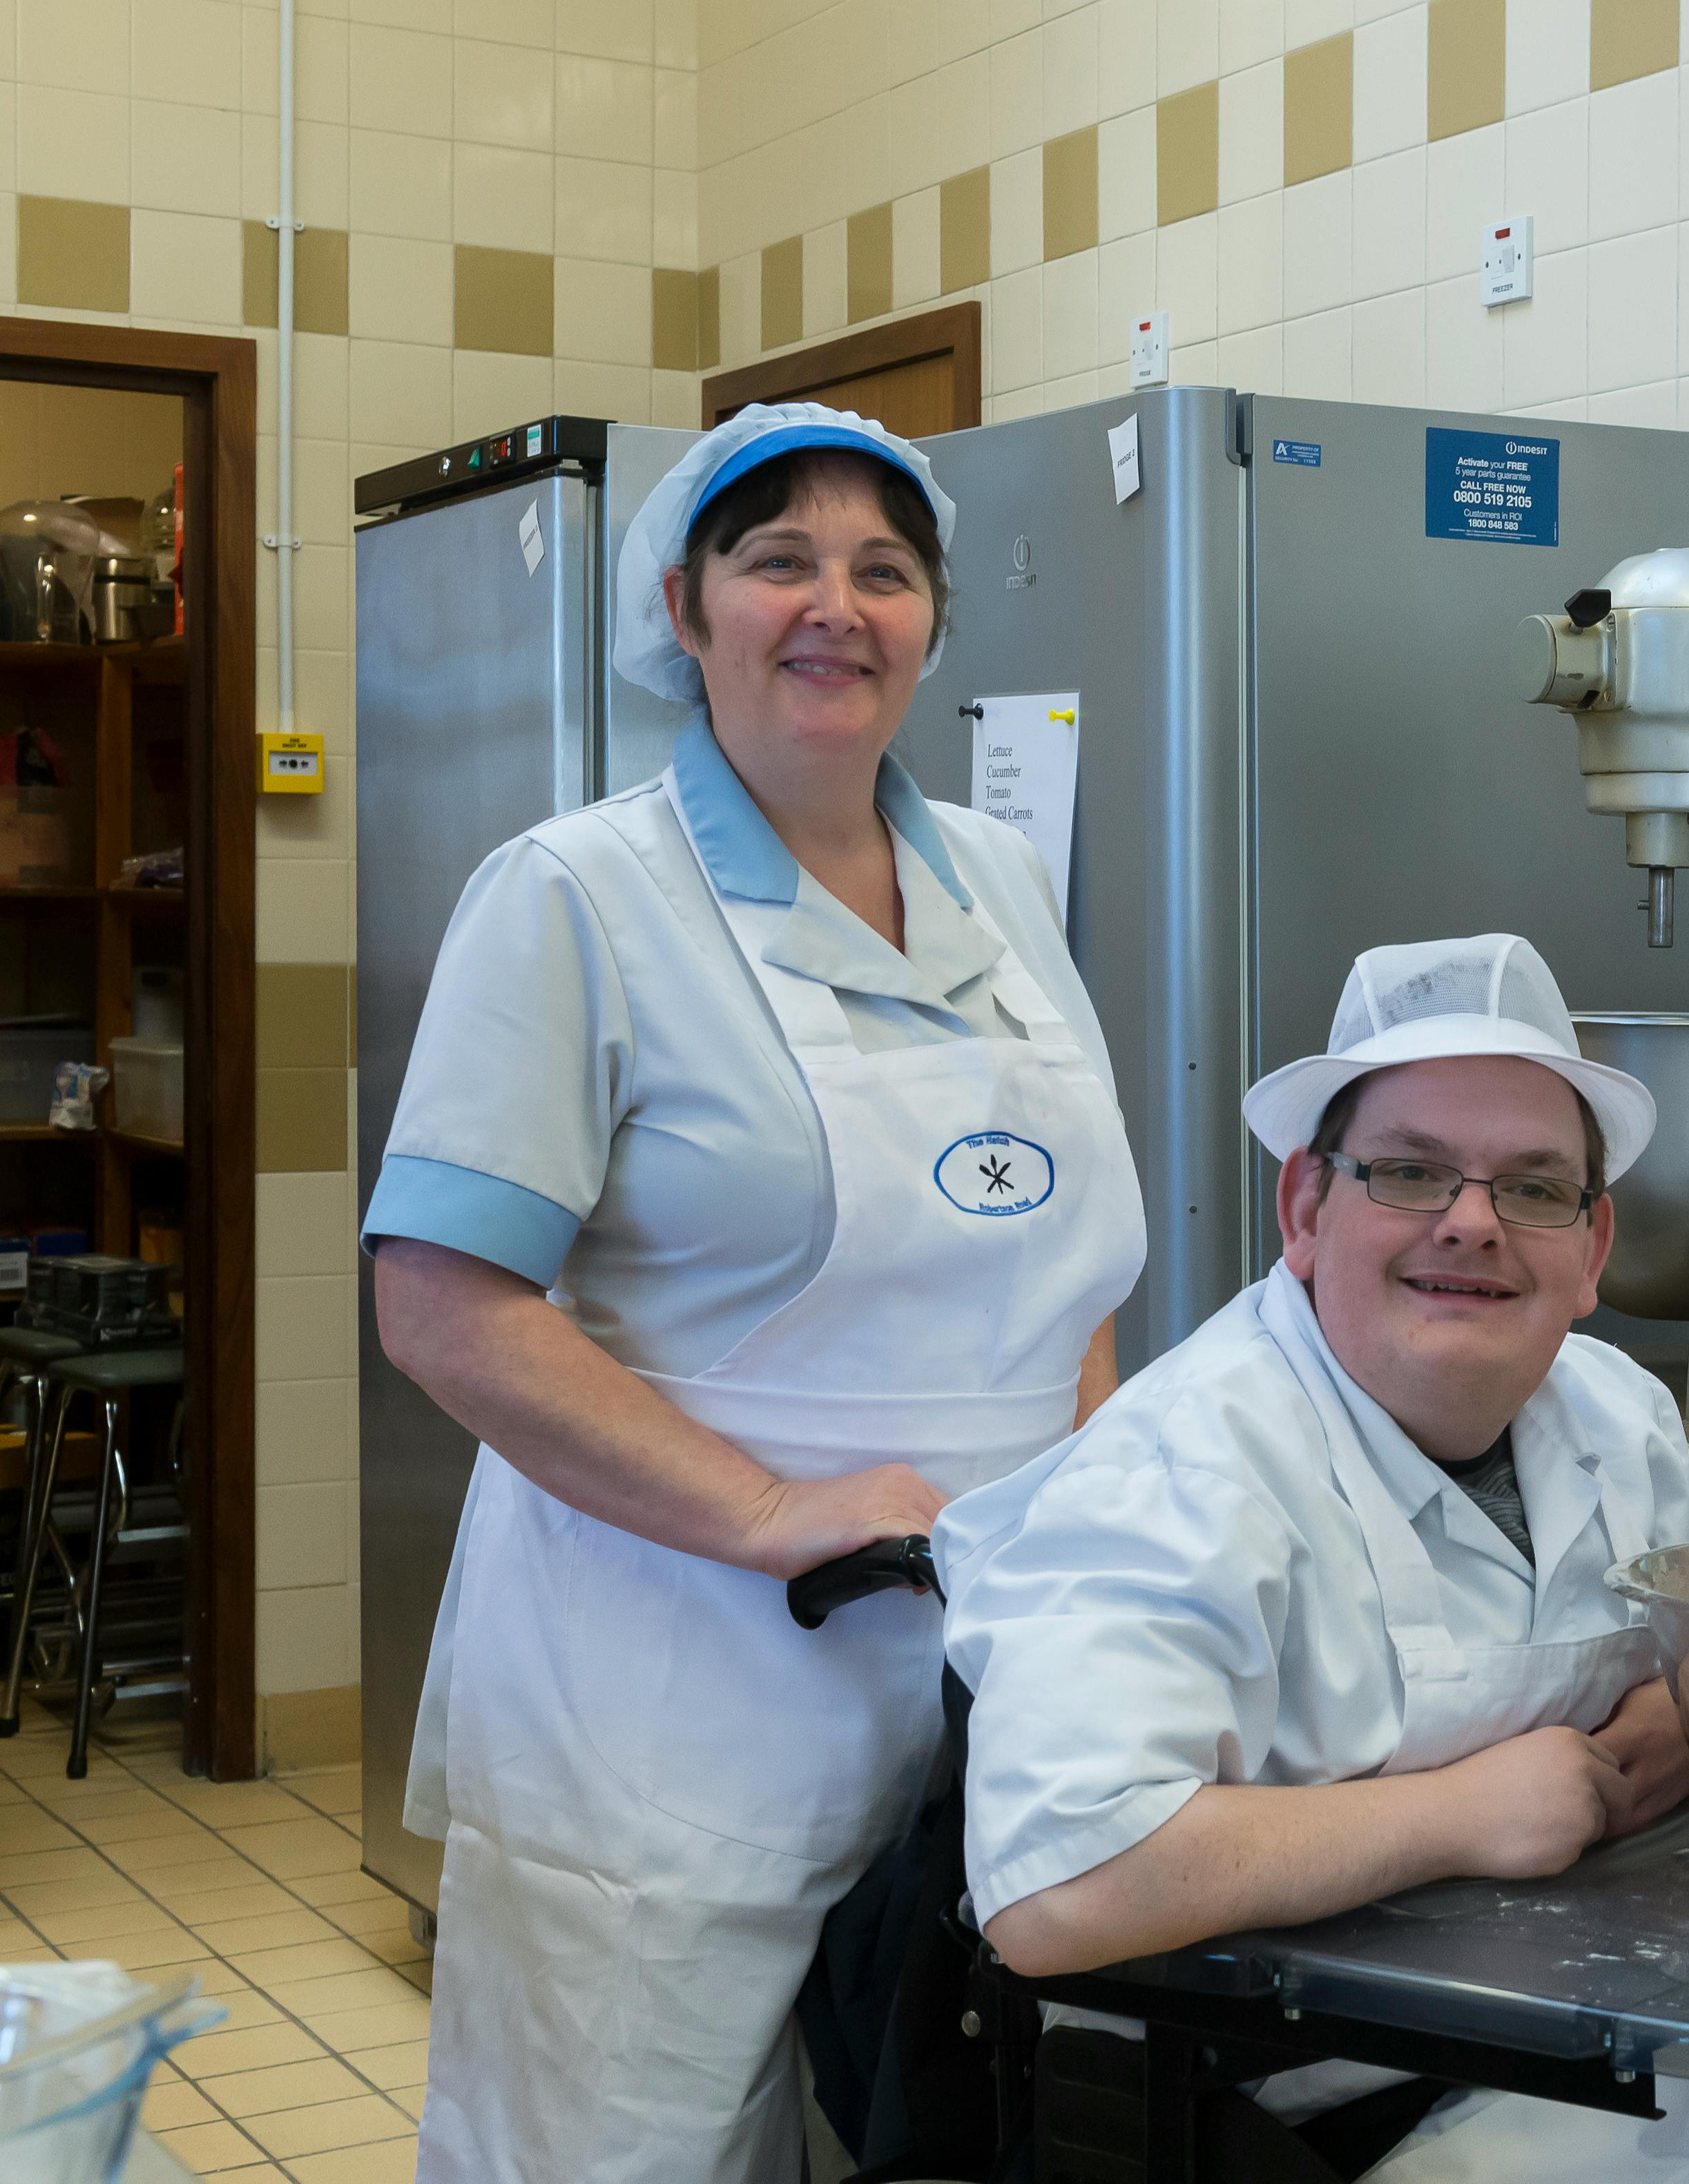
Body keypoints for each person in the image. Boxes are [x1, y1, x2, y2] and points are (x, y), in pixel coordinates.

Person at [365, 403, 1147, 2183]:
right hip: (665, 1723)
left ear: (935, 622)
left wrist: (1098, 1532)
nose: (834, 606)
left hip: (976, 1700)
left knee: (941, 2146)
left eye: (883, 569)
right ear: (683, 604)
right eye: (777, 558)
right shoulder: (574, 896)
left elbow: (1062, 1265)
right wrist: (777, 1510)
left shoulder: (1007, 884)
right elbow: (441, 1302)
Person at [936, 935, 1689, 2182]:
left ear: (1594, 1250)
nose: (1474, 1225)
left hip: (1561, 2053)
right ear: (1303, 1211)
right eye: (1409, 1172)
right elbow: (1058, 1889)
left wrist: (1682, 1721)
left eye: (1534, 1189)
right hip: (1262, 2118)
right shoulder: (1184, 1473)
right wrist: (1460, 1814)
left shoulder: (1611, 1417)